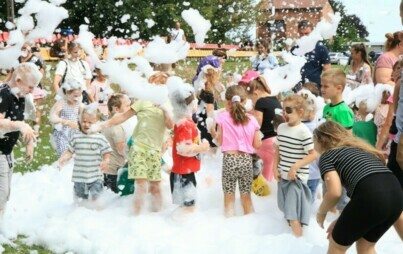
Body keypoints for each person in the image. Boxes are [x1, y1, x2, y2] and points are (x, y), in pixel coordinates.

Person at [89, 72, 174, 215]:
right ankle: (136, 217)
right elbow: (122, 117)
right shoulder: (143, 101)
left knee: (155, 185)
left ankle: (158, 215)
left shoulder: (168, 104)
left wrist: (164, 109)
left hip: (155, 151)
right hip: (138, 148)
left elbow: (170, 125)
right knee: (141, 186)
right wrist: (103, 125)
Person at [314, 121, 403, 254]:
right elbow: (367, 192)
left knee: (336, 245)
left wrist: (321, 213)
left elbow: (335, 192)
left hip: (372, 197)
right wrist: (343, 219)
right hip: (396, 193)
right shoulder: (362, 150)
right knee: (365, 246)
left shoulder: (328, 156)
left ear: (321, 140)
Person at [0, 62, 42, 221]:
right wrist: (19, 125)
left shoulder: (21, 96)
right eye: (30, 87)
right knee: (1, 193)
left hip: (6, 152)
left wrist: (29, 145)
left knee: (4, 195)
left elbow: (24, 123)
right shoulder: (3, 94)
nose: (32, 91)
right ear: (18, 80)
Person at [212, 85, 261, 217]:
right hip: (246, 160)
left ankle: (229, 225)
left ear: (227, 102)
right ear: (244, 101)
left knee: (229, 195)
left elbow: (219, 141)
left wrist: (212, 131)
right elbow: (257, 144)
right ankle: (250, 223)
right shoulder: (252, 119)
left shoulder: (222, 117)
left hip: (229, 160)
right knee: (246, 195)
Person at [273, 94, 317, 237]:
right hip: (283, 176)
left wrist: (295, 167)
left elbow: (313, 154)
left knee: (292, 215)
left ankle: (300, 244)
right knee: (286, 210)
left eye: (289, 110)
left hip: (297, 179)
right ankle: (292, 243)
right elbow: (278, 148)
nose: (285, 113)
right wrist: (275, 167)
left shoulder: (304, 131)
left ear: (300, 112)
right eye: (283, 110)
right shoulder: (281, 127)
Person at [169, 80, 210, 215]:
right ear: (187, 105)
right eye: (194, 101)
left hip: (184, 171)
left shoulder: (185, 121)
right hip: (183, 174)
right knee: (188, 209)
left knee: (187, 207)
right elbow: (183, 149)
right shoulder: (185, 124)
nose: (196, 103)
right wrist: (203, 147)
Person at [58, 105, 112, 206]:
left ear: (97, 123)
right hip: (80, 176)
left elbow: (106, 152)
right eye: (84, 121)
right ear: (79, 120)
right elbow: (70, 151)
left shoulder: (100, 138)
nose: (86, 124)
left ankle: (97, 214)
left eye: (90, 122)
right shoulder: (76, 137)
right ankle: (79, 214)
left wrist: (106, 161)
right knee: (80, 199)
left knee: (96, 198)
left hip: (96, 175)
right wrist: (63, 158)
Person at [245, 76, 281, 181]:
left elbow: (258, 124)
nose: (253, 102)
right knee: (271, 175)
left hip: (265, 143)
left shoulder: (260, 102)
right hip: (275, 141)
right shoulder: (275, 100)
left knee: (262, 179)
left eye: (252, 99)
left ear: (256, 93)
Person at [3, 42, 46, 129]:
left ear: (29, 48)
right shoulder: (17, 60)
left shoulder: (34, 59)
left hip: (32, 86)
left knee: (34, 107)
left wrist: (34, 83)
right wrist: (4, 82)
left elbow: (41, 71)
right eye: (21, 48)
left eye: (25, 48)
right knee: (19, 108)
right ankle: (20, 127)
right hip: (20, 88)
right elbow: (11, 72)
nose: (23, 50)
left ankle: (36, 128)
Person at [101, 94, 131, 193]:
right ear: (116, 110)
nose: (130, 109)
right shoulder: (116, 127)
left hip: (105, 170)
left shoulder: (106, 124)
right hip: (114, 171)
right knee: (115, 201)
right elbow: (121, 148)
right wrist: (133, 157)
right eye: (127, 106)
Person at [291, 20, 331, 91]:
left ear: (313, 32)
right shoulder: (295, 49)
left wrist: (326, 88)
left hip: (314, 87)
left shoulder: (321, 48)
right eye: (301, 34)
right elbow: (290, 68)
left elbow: (327, 70)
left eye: (307, 33)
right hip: (297, 86)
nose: (304, 36)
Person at [49, 80, 83, 158]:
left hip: (75, 132)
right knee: (64, 155)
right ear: (67, 93)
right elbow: (53, 117)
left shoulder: (79, 105)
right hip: (62, 133)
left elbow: (84, 116)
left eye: (79, 95)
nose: (77, 98)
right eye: (75, 95)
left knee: (76, 156)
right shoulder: (62, 103)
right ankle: (61, 167)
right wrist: (65, 121)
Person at [196, 65, 220, 151]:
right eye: (217, 78)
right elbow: (210, 114)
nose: (218, 80)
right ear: (212, 78)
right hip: (207, 127)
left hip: (201, 123)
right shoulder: (209, 94)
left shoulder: (203, 91)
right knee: (210, 151)